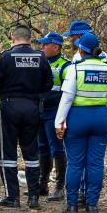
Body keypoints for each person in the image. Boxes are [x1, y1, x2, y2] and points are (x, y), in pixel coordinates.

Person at [54, 33, 107, 213]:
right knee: (96, 164)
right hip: (101, 118)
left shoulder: (75, 70)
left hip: (77, 118)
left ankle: (72, 206)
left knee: (75, 164)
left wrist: (59, 123)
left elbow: (67, 98)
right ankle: (92, 206)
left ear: (82, 50)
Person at [0, 25, 53, 209]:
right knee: (32, 153)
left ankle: (12, 197)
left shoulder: (6, 57)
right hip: (32, 108)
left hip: (9, 107)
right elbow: (49, 83)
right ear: (30, 39)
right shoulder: (41, 58)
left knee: (7, 154)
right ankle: (33, 198)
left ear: (13, 39)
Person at [35, 31, 70, 201]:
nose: (41, 47)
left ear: (56, 47)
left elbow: (68, 93)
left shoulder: (65, 66)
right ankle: (42, 185)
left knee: (56, 148)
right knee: (42, 147)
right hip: (39, 111)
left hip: (55, 113)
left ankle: (59, 187)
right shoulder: (39, 62)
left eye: (45, 44)